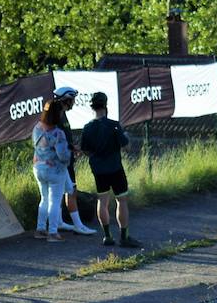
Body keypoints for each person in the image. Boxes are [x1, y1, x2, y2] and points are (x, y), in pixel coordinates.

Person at [79, 91, 139, 248]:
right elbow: (127, 147)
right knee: (122, 201)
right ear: (105, 106)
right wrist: (125, 135)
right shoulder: (114, 125)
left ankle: (107, 236)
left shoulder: (87, 127)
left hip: (99, 170)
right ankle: (124, 237)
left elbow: (85, 150)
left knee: (102, 200)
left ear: (92, 107)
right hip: (115, 168)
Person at [52, 86, 96, 235]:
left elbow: (64, 139)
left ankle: (58, 222)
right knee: (71, 191)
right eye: (73, 100)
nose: (74, 103)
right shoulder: (56, 117)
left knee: (61, 192)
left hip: (65, 160)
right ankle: (78, 225)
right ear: (66, 100)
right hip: (61, 163)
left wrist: (73, 148)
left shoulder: (61, 114)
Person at [32, 100, 71, 244]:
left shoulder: (36, 128)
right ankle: (53, 233)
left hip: (38, 167)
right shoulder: (58, 133)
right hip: (55, 170)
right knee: (55, 201)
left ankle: (40, 229)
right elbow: (63, 155)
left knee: (44, 199)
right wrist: (70, 154)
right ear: (57, 113)